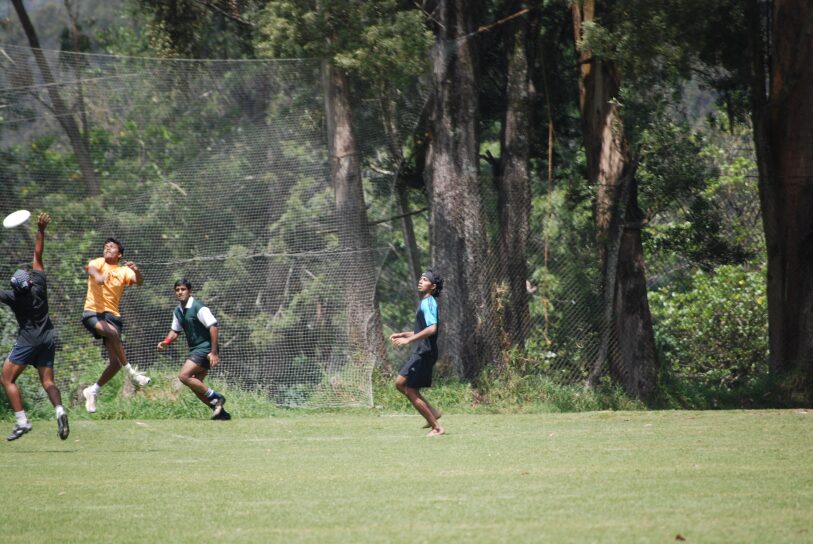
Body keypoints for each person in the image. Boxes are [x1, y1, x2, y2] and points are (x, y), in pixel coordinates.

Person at [0, 212, 69, 441]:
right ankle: (59, 410)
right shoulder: (39, 286)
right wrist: (40, 230)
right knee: (48, 381)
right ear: (29, 282)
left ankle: (22, 422)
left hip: (28, 340)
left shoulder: (13, 297)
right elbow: (37, 254)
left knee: (7, 379)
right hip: (48, 337)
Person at [81, 237, 149, 413]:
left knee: (114, 363)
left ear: (119, 254)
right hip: (93, 313)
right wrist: (98, 277)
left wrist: (137, 271)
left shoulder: (124, 271)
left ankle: (92, 390)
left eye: (111, 247)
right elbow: (93, 270)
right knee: (112, 333)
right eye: (105, 246)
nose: (107, 248)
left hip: (113, 316)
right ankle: (132, 374)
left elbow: (139, 281)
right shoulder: (98, 262)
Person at [157, 279, 230, 420]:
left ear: (190, 291)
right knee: (196, 386)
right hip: (195, 349)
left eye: (183, 289)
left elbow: (214, 327)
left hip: (205, 349)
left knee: (184, 376)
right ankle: (220, 412)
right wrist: (166, 342)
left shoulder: (199, 307)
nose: (180, 292)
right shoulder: (178, 311)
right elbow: (175, 331)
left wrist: (214, 352)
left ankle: (217, 397)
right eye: (177, 290)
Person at [390, 269, 444, 437]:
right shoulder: (426, 302)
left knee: (411, 390)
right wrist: (404, 334)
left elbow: (431, 329)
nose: (420, 281)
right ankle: (433, 413)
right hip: (421, 351)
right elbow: (422, 331)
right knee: (400, 383)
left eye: (425, 280)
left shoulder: (429, 303)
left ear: (433, 286)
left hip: (424, 353)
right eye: (420, 279)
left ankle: (437, 428)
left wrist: (408, 341)